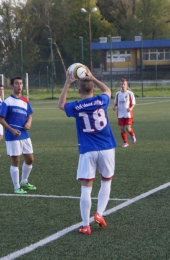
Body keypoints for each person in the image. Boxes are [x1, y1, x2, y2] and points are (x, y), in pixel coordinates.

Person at [58, 66, 117, 235]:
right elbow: (107, 90)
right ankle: (99, 213)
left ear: (78, 90)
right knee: (106, 181)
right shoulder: (101, 100)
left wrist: (67, 83)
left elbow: (60, 104)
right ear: (93, 88)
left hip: (88, 150)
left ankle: (86, 225)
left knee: (86, 187)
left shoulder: (76, 106)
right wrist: (93, 77)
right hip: (106, 148)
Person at [0, 76, 36, 194]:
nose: (19, 86)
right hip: (13, 136)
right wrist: (12, 130)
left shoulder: (25, 101)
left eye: (21, 83)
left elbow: (29, 115)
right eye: (16, 83)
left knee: (30, 159)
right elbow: (1, 119)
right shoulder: (7, 102)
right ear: (12, 86)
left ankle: (24, 181)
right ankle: (16, 186)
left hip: (25, 134)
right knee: (16, 161)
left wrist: (29, 122)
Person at [113, 78, 136, 148]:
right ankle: (125, 142)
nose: (123, 85)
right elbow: (115, 103)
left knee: (128, 128)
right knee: (122, 129)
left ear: (127, 85)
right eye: (122, 84)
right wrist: (114, 107)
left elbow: (133, 103)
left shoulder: (130, 93)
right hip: (120, 114)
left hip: (128, 114)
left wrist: (131, 108)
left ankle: (132, 135)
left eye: (124, 84)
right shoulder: (117, 94)